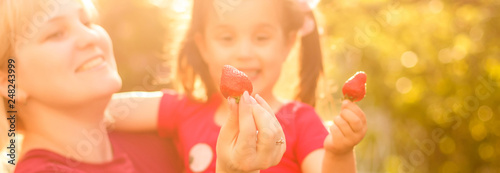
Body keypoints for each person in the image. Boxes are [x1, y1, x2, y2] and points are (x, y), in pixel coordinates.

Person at [0, 0, 285, 172]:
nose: (90, 37)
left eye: (87, 21)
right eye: (55, 33)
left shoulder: (159, 138)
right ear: (9, 81)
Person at [109, 0, 368, 172]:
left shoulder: (299, 120)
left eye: (261, 37)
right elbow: (104, 110)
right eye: (226, 37)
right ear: (203, 47)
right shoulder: (184, 110)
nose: (244, 52)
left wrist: (339, 153)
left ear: (288, 44)